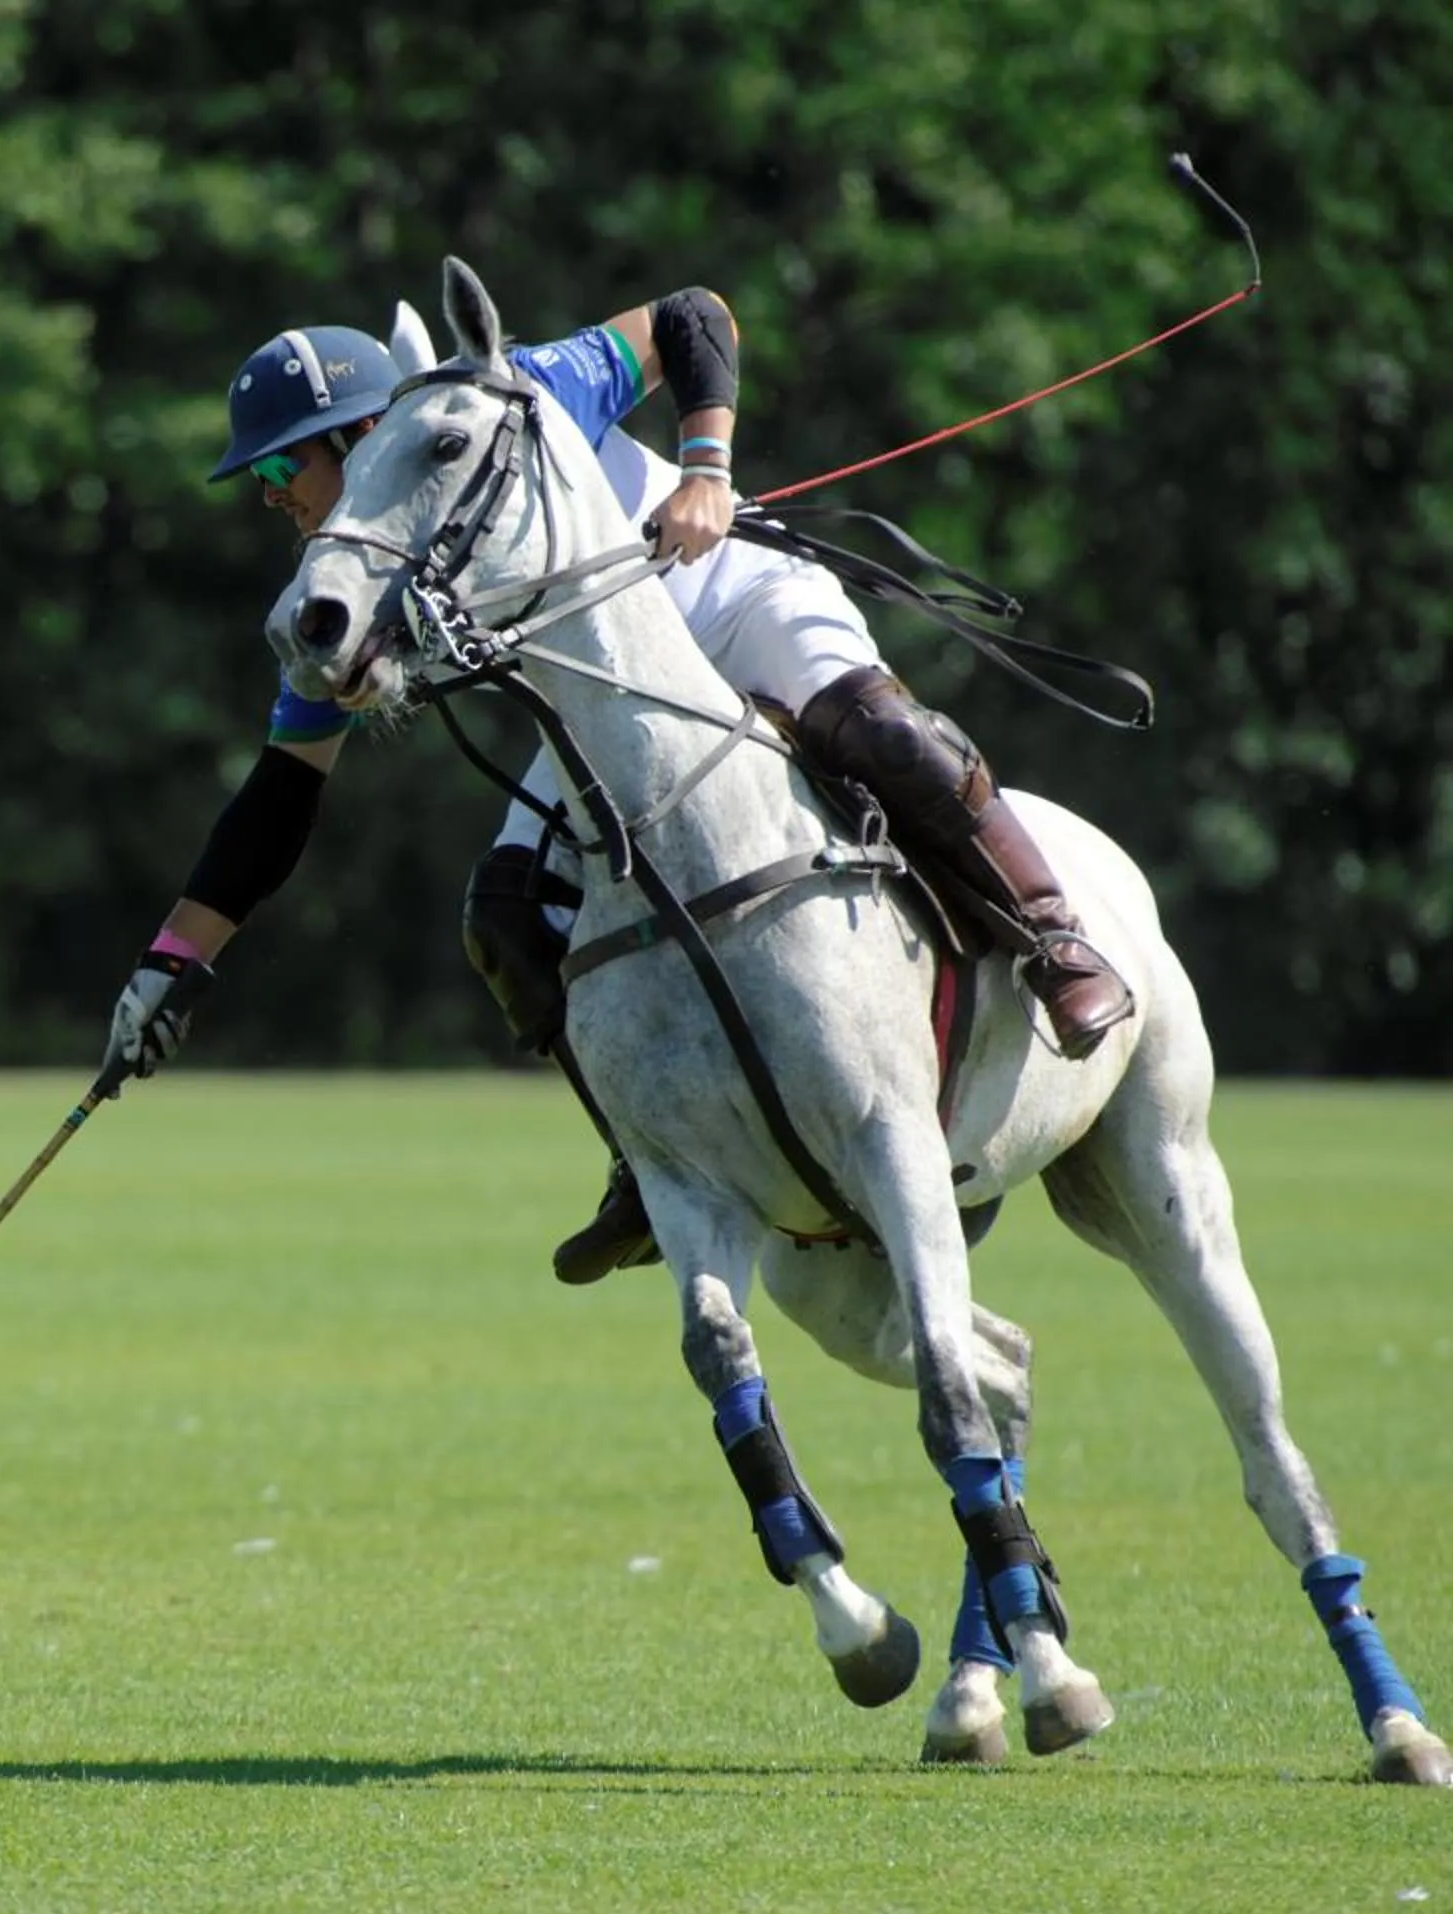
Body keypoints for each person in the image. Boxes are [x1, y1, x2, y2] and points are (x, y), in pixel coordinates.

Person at [108, 293, 1135, 1283]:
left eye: (284, 462)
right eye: (259, 477)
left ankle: (1054, 940)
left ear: (367, 429)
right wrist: (172, 964)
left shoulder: (527, 390)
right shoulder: (359, 589)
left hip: (733, 605)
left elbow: (697, 315)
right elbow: (283, 796)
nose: (272, 492)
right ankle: (647, 1159)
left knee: (886, 735)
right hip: (616, 702)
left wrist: (703, 469)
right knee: (505, 917)